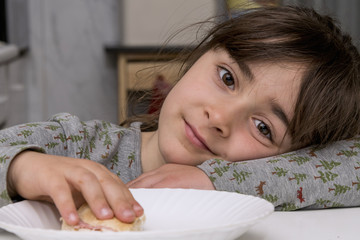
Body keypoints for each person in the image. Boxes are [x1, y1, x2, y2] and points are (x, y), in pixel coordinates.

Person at [1, 5, 359, 227]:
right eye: (227, 78)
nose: (219, 116)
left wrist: (214, 182)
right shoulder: (82, 144)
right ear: (200, 55)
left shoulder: (254, 193)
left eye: (263, 127)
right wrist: (22, 169)